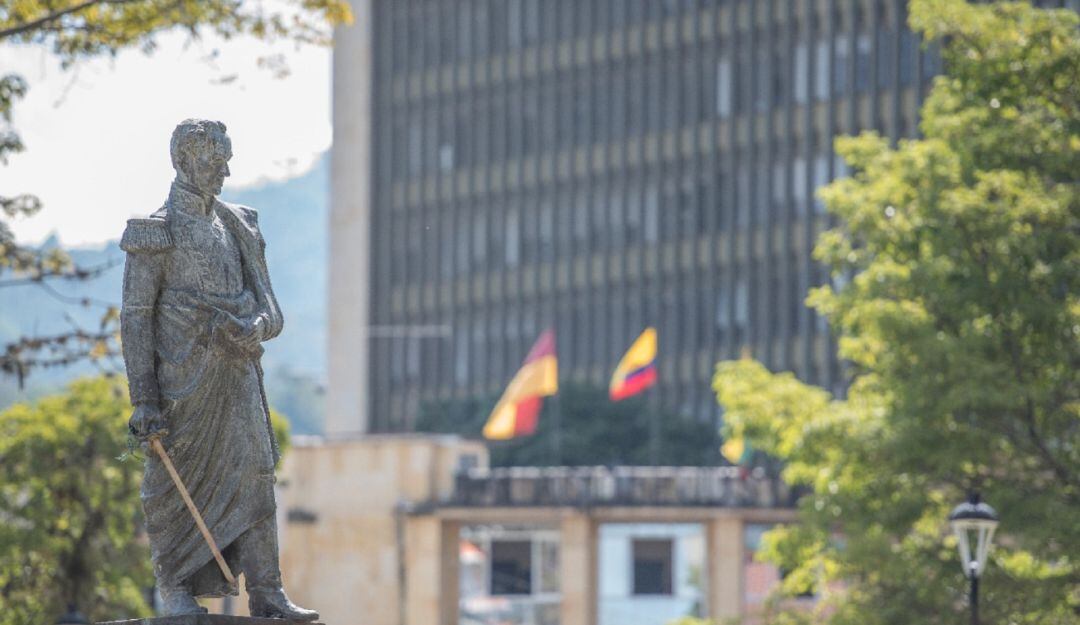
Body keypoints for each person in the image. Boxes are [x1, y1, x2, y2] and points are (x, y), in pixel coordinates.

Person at [121, 118, 317, 620]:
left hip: (239, 375)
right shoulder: (154, 231)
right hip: (181, 385)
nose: (225, 171)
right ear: (184, 161)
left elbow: (271, 310)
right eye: (214, 161)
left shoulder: (239, 225)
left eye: (227, 160)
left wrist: (255, 326)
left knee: (256, 475)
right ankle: (175, 585)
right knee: (172, 487)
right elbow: (136, 317)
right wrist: (143, 399)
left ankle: (267, 590)